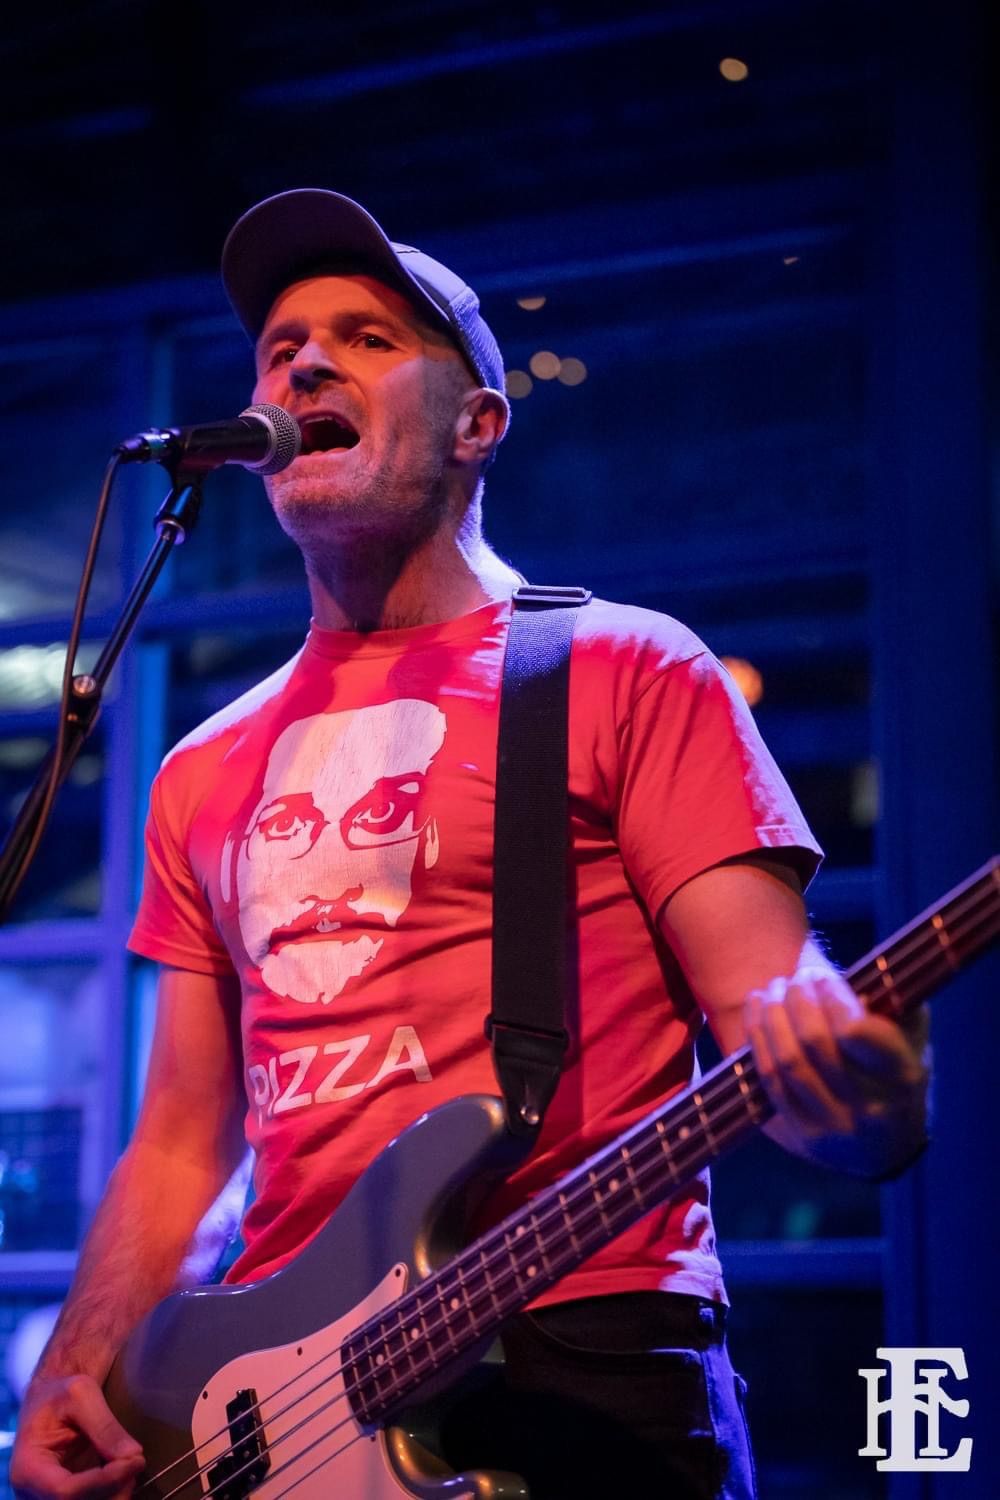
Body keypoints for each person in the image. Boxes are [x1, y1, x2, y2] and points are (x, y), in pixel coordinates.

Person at [10, 190, 928, 1500]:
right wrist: (76, 1372)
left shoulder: (622, 666)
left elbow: (790, 1033)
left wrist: (867, 1092)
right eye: (281, 350)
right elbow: (178, 1140)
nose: (308, 363)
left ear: (478, 424)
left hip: (582, 1357)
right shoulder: (199, 769)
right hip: (275, 1404)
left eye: (368, 339)